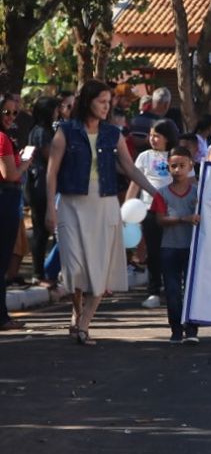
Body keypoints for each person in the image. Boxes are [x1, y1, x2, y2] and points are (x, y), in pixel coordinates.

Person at [45, 80, 158, 345]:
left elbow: (130, 168)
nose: (107, 107)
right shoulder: (65, 131)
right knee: (73, 267)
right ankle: (77, 311)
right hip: (72, 203)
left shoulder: (112, 134)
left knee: (101, 267)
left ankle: (83, 324)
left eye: (109, 102)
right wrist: (51, 208)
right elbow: (51, 173)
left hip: (105, 202)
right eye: (102, 102)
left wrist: (156, 192)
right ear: (88, 101)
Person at [149, 146, 200, 343]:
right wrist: (184, 219)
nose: (177, 170)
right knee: (172, 290)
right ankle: (176, 329)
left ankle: (192, 329)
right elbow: (160, 220)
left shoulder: (198, 192)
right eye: (173, 166)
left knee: (191, 290)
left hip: (192, 248)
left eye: (182, 165)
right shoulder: (162, 193)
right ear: (168, 168)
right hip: (169, 247)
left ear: (190, 166)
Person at [127, 120, 179, 309]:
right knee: (154, 252)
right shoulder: (144, 157)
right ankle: (153, 291)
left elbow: (189, 182)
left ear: (168, 137)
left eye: (157, 135)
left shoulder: (177, 155)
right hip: (150, 211)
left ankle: (173, 288)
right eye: (151, 135)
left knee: (173, 252)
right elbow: (135, 183)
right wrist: (127, 206)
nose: (152, 139)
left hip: (174, 212)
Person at [1, 95, 33, 330]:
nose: (11, 117)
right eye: (6, 112)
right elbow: (10, 174)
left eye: (15, 113)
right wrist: (25, 162)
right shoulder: (2, 139)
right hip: (6, 198)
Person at [25, 96, 59, 284]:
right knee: (40, 229)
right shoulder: (40, 132)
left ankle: (47, 271)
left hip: (45, 183)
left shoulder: (48, 130)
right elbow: (50, 155)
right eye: (55, 109)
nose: (58, 112)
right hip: (39, 184)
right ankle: (38, 273)